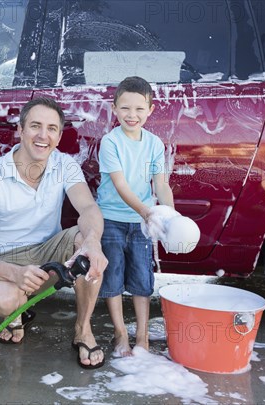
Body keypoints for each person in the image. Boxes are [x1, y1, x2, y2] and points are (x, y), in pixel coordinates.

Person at [0, 97, 108, 369]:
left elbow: (88, 207)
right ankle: (16, 316)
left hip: (47, 254)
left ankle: (83, 329)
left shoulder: (64, 165)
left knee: (86, 242)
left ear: (59, 135)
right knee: (5, 299)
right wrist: (15, 273)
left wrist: (93, 243)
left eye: (52, 128)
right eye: (35, 126)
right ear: (20, 129)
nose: (43, 136)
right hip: (4, 261)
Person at [96, 76, 174, 357]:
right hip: (112, 220)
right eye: (126, 108)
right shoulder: (110, 142)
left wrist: (171, 219)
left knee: (143, 280)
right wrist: (146, 212)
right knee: (112, 278)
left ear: (150, 110)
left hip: (142, 223)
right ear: (114, 109)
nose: (132, 115)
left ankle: (142, 336)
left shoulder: (154, 144)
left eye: (140, 109)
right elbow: (120, 185)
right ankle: (120, 334)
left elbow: (161, 185)